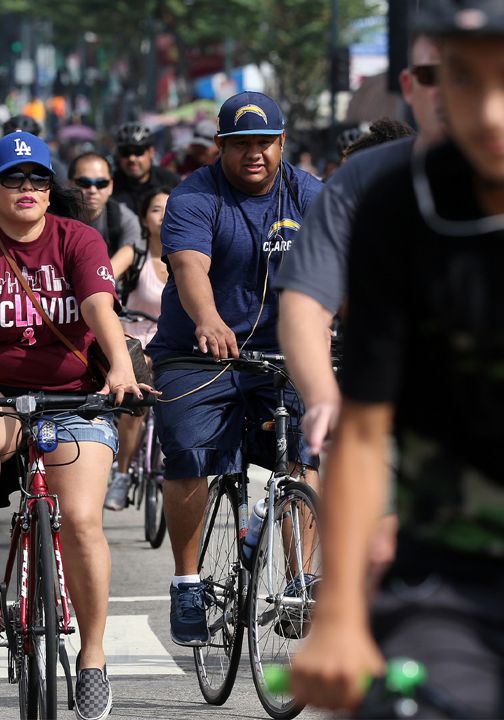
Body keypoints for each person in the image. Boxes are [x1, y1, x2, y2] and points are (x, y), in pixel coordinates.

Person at [293, 2, 504, 716]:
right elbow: (365, 433)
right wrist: (339, 616)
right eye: (463, 80)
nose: (491, 114)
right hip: (455, 581)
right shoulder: (398, 210)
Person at [0, 131, 151, 720]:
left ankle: (95, 658)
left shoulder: (80, 239)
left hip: (74, 396)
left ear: (52, 191)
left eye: (39, 179)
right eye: (14, 179)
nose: (27, 188)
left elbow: (102, 309)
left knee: (80, 521)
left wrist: (122, 371)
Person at [147, 91, 323, 646]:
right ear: (220, 146)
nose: (254, 154)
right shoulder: (195, 196)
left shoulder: (309, 194)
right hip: (200, 353)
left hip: (285, 352)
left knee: (304, 453)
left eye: (265, 143)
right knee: (190, 455)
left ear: (282, 144)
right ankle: (188, 582)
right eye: (241, 144)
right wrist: (209, 319)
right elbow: (189, 265)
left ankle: (300, 583)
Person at [276, 33, 444, 457]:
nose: (451, 88)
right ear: (408, 86)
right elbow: (306, 306)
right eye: (432, 75)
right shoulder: (354, 183)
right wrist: (321, 396)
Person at [105, 188, 168, 511]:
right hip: (133, 340)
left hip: (169, 343)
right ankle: (123, 473)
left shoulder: (188, 254)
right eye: (156, 209)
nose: (164, 215)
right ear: (144, 217)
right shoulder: (136, 254)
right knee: (137, 406)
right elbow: (102, 281)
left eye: (170, 209)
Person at [67, 152, 143, 279]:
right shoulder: (53, 217)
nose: (92, 190)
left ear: (111, 186)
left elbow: (127, 254)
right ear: (70, 184)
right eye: (84, 182)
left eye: (101, 183)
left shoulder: (125, 218)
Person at [111, 122, 181, 213]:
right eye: (125, 153)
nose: (132, 158)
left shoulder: (170, 181)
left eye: (138, 152)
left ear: (151, 152)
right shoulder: (109, 185)